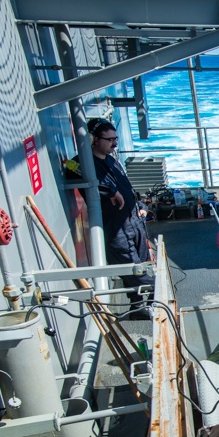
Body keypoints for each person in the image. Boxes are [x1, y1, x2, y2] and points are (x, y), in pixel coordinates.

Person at [67, 118, 153, 319]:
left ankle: (140, 312)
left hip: (134, 222)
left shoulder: (111, 160)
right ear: (94, 140)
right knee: (139, 276)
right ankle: (159, 300)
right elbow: (76, 172)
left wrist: (140, 205)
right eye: (110, 139)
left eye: (116, 138)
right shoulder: (81, 163)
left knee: (143, 265)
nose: (115, 143)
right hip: (117, 230)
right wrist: (111, 191)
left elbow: (126, 187)